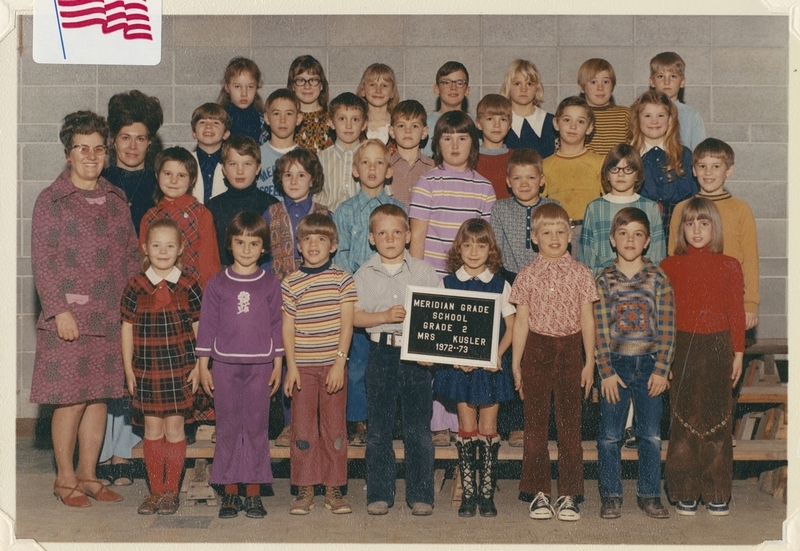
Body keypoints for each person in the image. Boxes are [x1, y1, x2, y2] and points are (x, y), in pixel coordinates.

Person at [31, 110, 139, 507]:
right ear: (68, 153)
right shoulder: (51, 200)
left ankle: (89, 475)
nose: (91, 156)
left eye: (98, 149)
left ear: (105, 154)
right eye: (82, 148)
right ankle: (64, 479)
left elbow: (130, 255)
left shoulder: (115, 198)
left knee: (100, 397)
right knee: (71, 398)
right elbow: (42, 259)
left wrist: (133, 307)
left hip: (110, 316)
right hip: (69, 319)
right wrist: (59, 310)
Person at [409, 110, 496, 446]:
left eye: (462, 138)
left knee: (463, 359)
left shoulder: (484, 187)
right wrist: (418, 285)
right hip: (433, 279)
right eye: (447, 138)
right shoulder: (427, 182)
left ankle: (463, 432)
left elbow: (485, 240)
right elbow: (418, 236)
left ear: (472, 143)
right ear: (437, 143)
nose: (455, 144)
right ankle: (437, 429)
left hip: (469, 281)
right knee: (435, 358)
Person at [510, 203, 598, 522]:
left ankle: (569, 494)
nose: (555, 238)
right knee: (534, 426)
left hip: (571, 350)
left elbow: (588, 320)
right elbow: (521, 321)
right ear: (534, 237)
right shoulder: (527, 275)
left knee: (569, 427)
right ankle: (539, 493)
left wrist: (590, 362)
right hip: (537, 349)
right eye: (546, 233)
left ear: (570, 235)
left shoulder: (581, 273)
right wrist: (516, 363)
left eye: (561, 232)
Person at [353, 204, 441, 517]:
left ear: (407, 236)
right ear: (372, 238)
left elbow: (437, 313)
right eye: (382, 233)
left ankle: (421, 495)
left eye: (397, 232)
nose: (390, 239)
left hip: (416, 356)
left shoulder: (424, 271)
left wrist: (431, 352)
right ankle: (379, 494)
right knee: (379, 428)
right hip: (381, 354)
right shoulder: (363, 273)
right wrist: (384, 316)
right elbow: (355, 316)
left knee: (418, 429)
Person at [195, 212, 285, 519]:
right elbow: (207, 325)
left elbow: (277, 326)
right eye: (239, 242)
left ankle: (254, 492)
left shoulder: (271, 284)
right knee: (229, 428)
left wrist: (278, 364)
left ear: (264, 248)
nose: (246, 249)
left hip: (261, 364)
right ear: (229, 245)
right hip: (224, 364)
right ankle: (230, 492)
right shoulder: (217, 283)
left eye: (254, 242)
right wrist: (203, 365)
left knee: (256, 428)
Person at [660, 197, 745, 517]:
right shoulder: (669, 265)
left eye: (704, 223)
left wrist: (738, 353)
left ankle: (716, 490)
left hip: (719, 345)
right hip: (681, 345)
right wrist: (664, 357)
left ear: (715, 227)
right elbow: (664, 316)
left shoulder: (730, 265)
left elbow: (736, 311)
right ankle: (684, 489)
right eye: (690, 223)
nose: (696, 230)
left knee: (717, 420)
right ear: (681, 228)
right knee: (683, 420)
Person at [99, 89, 164, 486]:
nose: (133, 146)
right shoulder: (100, 179)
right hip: (105, 285)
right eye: (126, 137)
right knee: (107, 366)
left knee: (136, 366)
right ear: (113, 138)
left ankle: (123, 454)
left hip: (145, 287)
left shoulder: (159, 182)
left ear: (150, 141)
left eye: (141, 138)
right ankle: (100, 452)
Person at [432, 219, 516, 517]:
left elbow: (512, 327)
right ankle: (469, 493)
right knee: (467, 428)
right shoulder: (447, 282)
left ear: (490, 249)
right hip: (461, 368)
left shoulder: (499, 283)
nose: (473, 251)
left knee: (488, 429)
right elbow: (440, 326)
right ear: (458, 248)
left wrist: (498, 355)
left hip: (489, 370)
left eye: (480, 245)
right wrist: (454, 357)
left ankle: (486, 493)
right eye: (467, 245)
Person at [594, 208, 674, 520]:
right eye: (624, 233)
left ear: (648, 240)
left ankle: (649, 494)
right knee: (610, 435)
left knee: (651, 435)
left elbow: (667, 327)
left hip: (650, 366)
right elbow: (599, 328)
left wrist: (662, 368)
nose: (630, 239)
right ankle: (611, 495)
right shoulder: (603, 280)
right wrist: (606, 371)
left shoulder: (658, 279)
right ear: (613, 239)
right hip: (616, 366)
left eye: (638, 234)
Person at [121, 219, 203, 515]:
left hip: (180, 369)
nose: (163, 251)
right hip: (146, 370)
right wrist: (129, 369)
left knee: (174, 429)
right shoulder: (135, 286)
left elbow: (199, 326)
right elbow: (127, 328)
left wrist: (199, 366)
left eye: (170, 246)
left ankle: (171, 491)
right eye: (156, 245)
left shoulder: (190, 284)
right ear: (145, 248)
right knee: (152, 430)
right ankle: (154, 491)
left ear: (180, 248)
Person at [282, 213, 358, 515]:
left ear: (333, 245)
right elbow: (287, 328)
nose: (314, 244)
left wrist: (339, 363)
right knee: (302, 429)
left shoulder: (342, 279)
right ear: (299, 246)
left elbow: (347, 325)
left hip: (332, 367)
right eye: (308, 239)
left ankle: (334, 488)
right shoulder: (292, 282)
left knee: (334, 429)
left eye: (321, 239)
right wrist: (292, 367)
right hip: (303, 368)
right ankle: (304, 488)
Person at [334, 139, 406, 446]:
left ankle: (389, 419)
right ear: (354, 170)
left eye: (379, 163)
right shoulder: (346, 210)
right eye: (366, 162)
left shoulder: (399, 208)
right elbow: (340, 260)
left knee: (393, 365)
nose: (372, 168)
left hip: (392, 297)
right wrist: (351, 300)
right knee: (359, 366)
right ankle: (359, 421)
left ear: (390, 171)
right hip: (359, 300)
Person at [489, 148, 559, 448]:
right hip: (511, 280)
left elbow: (558, 245)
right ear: (507, 181)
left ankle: (543, 423)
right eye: (517, 178)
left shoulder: (553, 206)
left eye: (531, 177)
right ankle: (515, 422)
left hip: (548, 281)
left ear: (542, 180)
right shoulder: (500, 209)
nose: (524, 183)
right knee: (513, 352)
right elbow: (497, 251)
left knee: (543, 353)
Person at [668, 138, 760, 330]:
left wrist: (750, 304)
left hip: (730, 299)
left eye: (716, 166)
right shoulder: (682, 209)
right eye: (702, 166)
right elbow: (674, 256)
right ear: (694, 170)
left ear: (729, 171)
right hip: (692, 301)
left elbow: (751, 260)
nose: (708, 173)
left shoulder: (741, 209)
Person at [579, 144, 666, 276]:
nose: (621, 174)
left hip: (642, 281)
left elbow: (657, 254)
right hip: (603, 282)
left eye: (628, 169)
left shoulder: (650, 207)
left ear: (638, 175)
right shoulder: (595, 208)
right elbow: (585, 257)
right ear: (607, 174)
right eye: (615, 168)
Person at [139, 146, 221, 287]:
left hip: (193, 290)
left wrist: (210, 297)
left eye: (181, 175)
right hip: (156, 288)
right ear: (157, 175)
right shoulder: (149, 217)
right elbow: (142, 259)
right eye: (167, 174)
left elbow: (210, 263)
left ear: (192, 180)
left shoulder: (201, 214)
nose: (173, 180)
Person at [629, 90, 697, 238]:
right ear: (638, 119)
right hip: (638, 232)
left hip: (677, 232)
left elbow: (693, 199)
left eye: (661, 115)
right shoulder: (628, 156)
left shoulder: (685, 155)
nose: (654, 121)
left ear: (670, 119)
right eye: (647, 116)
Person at [206, 135, 279, 266]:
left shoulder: (271, 205)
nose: (240, 171)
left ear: (258, 168)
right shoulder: (212, 207)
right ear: (224, 169)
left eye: (247, 164)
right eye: (233, 164)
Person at [542, 96, 603, 252]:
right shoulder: (545, 165)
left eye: (581, 122)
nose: (573, 126)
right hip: (558, 233)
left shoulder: (600, 162)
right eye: (567, 120)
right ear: (556, 123)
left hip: (591, 232)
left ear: (590, 127)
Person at [316, 92, 368, 213]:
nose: (348, 125)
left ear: (364, 124)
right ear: (331, 122)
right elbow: (314, 197)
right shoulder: (319, 159)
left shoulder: (372, 157)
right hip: (329, 223)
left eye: (355, 119)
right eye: (342, 119)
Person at [649, 51, 706, 150]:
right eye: (661, 76)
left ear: (682, 82)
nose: (667, 82)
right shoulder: (643, 112)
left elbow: (700, 154)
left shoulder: (692, 116)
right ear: (652, 81)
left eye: (673, 76)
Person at [500, 59, 556, 158]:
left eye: (529, 84)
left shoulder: (552, 122)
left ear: (537, 88)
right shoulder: (499, 122)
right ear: (508, 87)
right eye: (517, 84)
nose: (523, 89)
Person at [577, 58, 629, 157]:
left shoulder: (626, 114)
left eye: (606, 82)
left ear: (613, 85)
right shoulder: (577, 116)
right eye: (593, 82)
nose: (600, 87)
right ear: (581, 87)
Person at [387, 99, 434, 208]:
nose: (408, 130)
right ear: (392, 132)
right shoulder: (385, 167)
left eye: (414, 126)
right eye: (401, 126)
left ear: (424, 132)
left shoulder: (433, 168)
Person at [257, 88, 302, 197]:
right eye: (276, 113)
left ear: (298, 118)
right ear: (267, 118)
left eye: (289, 114)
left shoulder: (305, 157)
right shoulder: (256, 155)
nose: (283, 120)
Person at [420, 61, 471, 157]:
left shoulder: (474, 123)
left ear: (467, 90)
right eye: (446, 82)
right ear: (436, 89)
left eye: (460, 83)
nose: (453, 87)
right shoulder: (425, 122)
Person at [216, 56, 267, 144]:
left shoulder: (263, 121)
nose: (244, 93)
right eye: (237, 87)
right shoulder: (218, 121)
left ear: (257, 87)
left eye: (250, 87)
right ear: (227, 87)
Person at [289, 54, 334, 152]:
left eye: (313, 80)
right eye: (301, 80)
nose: (307, 86)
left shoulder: (332, 119)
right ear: (293, 86)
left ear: (321, 85)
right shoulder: (287, 120)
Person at [190, 102, 231, 204]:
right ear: (194, 133)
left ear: (226, 134)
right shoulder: (185, 161)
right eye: (202, 122)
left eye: (216, 123)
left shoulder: (232, 163)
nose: (208, 126)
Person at [475, 94, 514, 200]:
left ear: (510, 125)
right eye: (490, 119)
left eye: (503, 119)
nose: (497, 125)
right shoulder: (470, 157)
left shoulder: (516, 158)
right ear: (478, 123)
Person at [356, 63, 399, 145]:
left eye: (384, 85)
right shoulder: (355, 123)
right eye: (372, 85)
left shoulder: (398, 123)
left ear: (392, 92)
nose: (378, 90)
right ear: (363, 90)